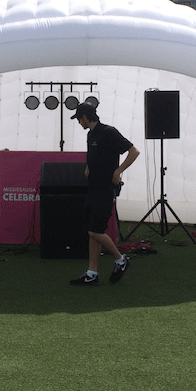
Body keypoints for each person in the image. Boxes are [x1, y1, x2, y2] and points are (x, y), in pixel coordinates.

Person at [69, 102, 140, 286]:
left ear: (85, 117)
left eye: (79, 119)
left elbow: (134, 152)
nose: (79, 123)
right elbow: (95, 155)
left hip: (105, 189)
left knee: (95, 230)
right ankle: (92, 273)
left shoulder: (109, 132)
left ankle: (120, 260)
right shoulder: (91, 134)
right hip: (93, 188)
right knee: (93, 232)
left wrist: (118, 172)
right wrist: (88, 167)